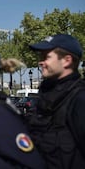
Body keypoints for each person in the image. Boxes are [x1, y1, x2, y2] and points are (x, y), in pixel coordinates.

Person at [28, 34, 85, 168]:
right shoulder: (46, 95)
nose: (40, 62)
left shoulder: (79, 99)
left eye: (46, 57)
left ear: (67, 60)